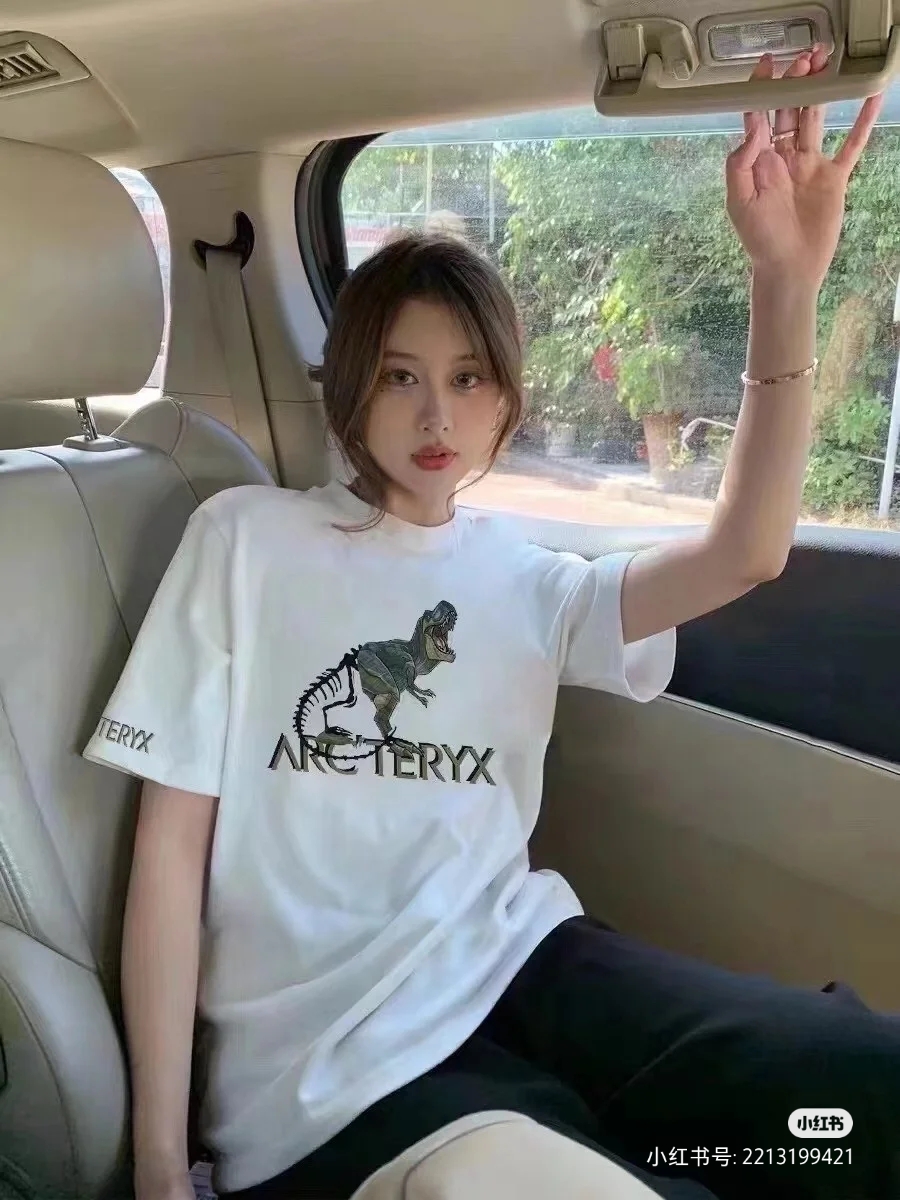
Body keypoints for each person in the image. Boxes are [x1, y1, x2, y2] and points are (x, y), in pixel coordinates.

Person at [84, 46, 899, 1200]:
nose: (436, 415)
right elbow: (170, 854)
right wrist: (163, 1166)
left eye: (468, 379)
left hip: (524, 965)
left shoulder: (524, 576)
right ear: (349, 384)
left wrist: (785, 285)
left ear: (508, 397)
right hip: (332, 1062)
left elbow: (746, 554)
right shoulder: (243, 542)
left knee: (856, 1093)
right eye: (400, 376)